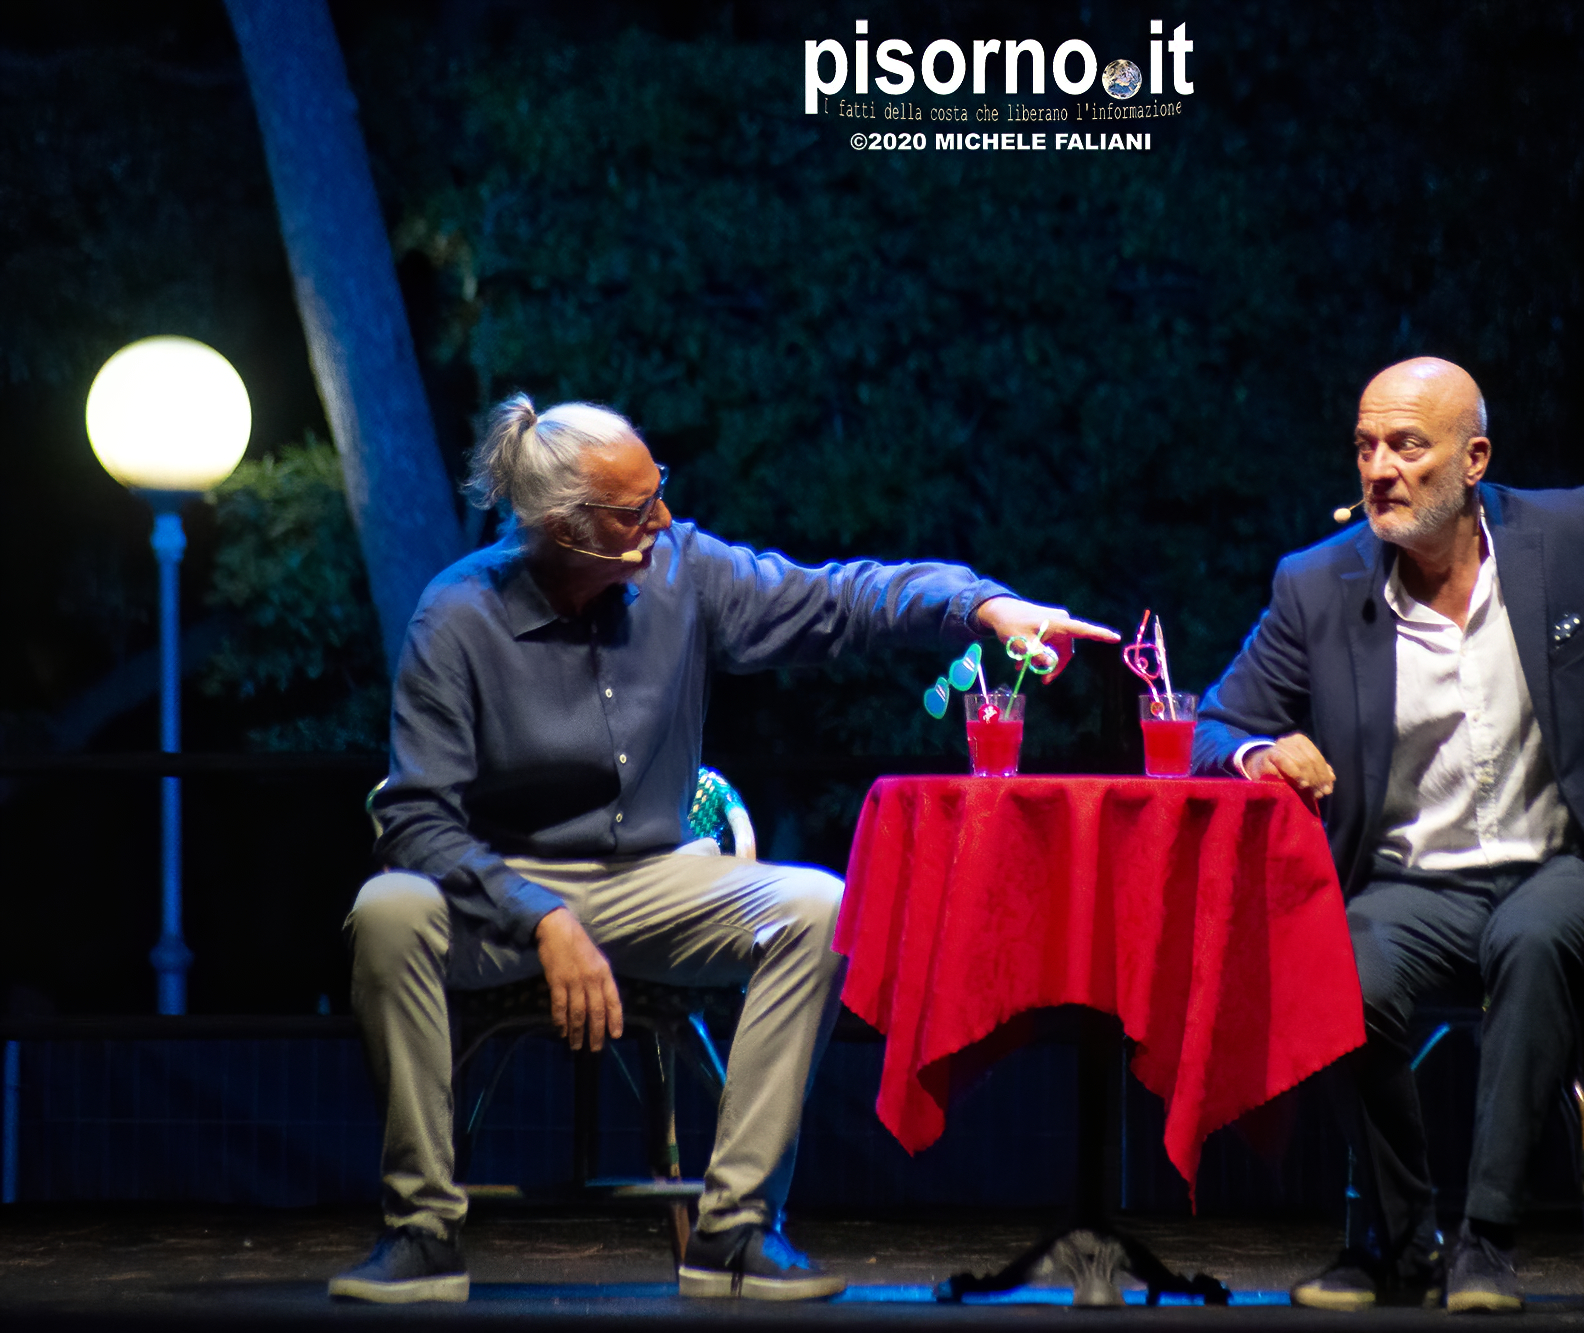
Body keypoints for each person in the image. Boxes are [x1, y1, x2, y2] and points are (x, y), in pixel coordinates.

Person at [330, 395, 1116, 1304]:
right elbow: (418, 819)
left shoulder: (684, 570)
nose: (663, 519)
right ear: (565, 528)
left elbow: (841, 597)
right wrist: (540, 917)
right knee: (387, 910)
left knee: (817, 908)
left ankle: (736, 1229)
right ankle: (422, 1232)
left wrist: (985, 605)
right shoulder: (456, 615)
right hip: (503, 887)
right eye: (637, 509)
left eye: (658, 490)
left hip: (656, 878)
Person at [1192, 358, 1584, 1313]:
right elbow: (1215, 724)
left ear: (1474, 459)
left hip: (1563, 867)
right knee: (1334, 968)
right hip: (1407, 886)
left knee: (1532, 937)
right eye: (1364, 447)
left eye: (1406, 446)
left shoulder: (1574, 533)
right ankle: (1407, 1242)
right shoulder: (1316, 585)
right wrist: (1259, 750)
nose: (1379, 468)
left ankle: (1489, 1240)